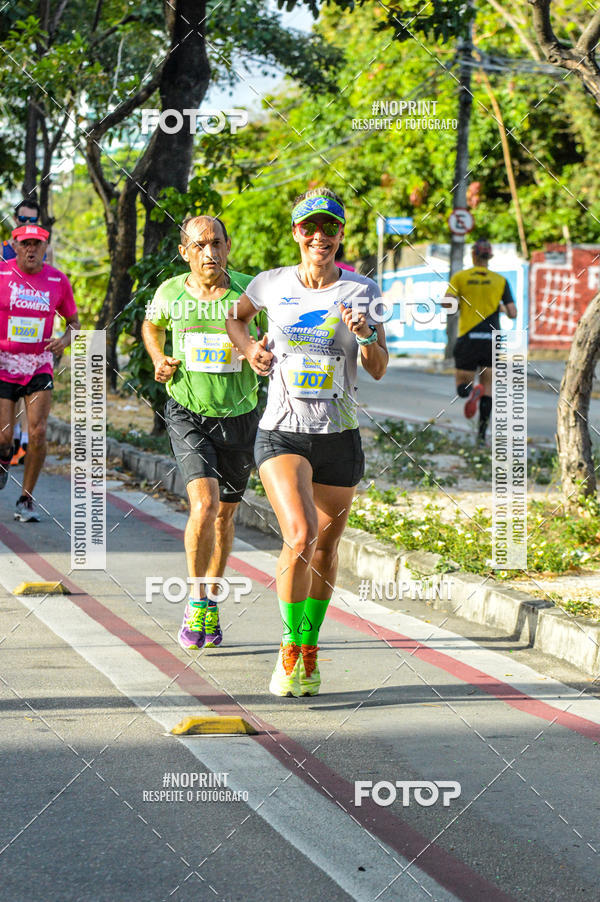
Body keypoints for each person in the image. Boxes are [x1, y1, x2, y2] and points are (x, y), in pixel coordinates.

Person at [226, 187, 388, 697]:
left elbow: (379, 369)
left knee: (326, 549)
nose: (320, 236)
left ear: (341, 234)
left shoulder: (364, 289)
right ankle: (288, 647)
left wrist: (363, 336)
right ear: (296, 232)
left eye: (331, 228)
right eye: (309, 227)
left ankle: (310, 648)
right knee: (300, 534)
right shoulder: (270, 283)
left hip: (338, 434)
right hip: (282, 430)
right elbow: (236, 316)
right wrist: (251, 348)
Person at [142, 215, 266, 652]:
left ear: (228, 246)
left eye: (217, 243)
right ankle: (195, 602)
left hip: (241, 415)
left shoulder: (251, 290)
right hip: (187, 409)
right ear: (185, 252)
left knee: (226, 514)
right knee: (204, 502)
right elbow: (151, 326)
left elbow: (281, 330)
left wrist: (261, 350)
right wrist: (159, 357)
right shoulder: (170, 291)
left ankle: (211, 599)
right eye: (199, 245)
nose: (209, 252)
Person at [0, 224, 79, 520]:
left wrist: (63, 341)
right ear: (15, 246)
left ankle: (26, 498)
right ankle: (4, 459)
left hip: (38, 363)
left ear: (45, 247)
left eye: (37, 243)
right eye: (26, 243)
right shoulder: (2, 274)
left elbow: (74, 323)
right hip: (4, 362)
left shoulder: (57, 280)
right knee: (4, 437)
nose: (31, 249)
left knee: (38, 431)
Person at [442, 238, 517, 444]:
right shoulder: (500, 281)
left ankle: (469, 391)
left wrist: (457, 303)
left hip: (468, 337)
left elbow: (447, 305)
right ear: (489, 257)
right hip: (491, 339)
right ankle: (482, 436)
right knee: (488, 386)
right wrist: (499, 307)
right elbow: (512, 313)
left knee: (462, 387)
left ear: (473, 255)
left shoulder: (461, 277)